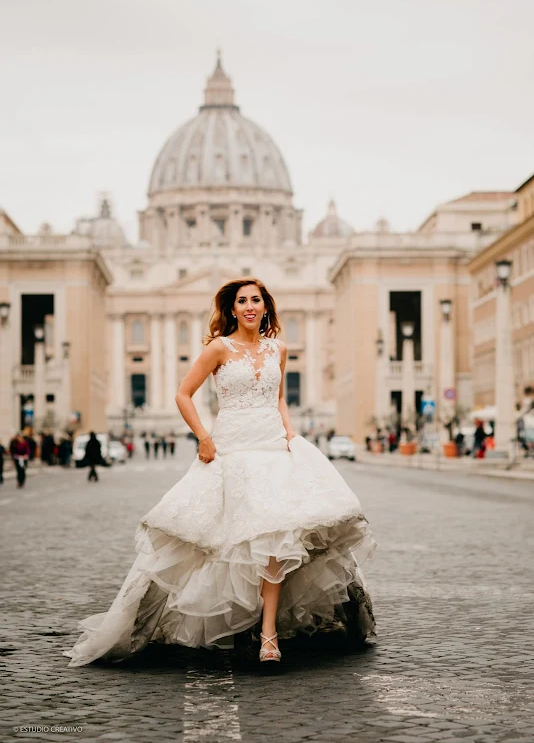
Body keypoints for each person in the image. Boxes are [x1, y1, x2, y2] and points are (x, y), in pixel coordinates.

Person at [64, 278, 377, 668]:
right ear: (232, 309)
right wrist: (203, 437)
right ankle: (234, 621)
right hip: (232, 448)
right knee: (223, 540)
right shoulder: (218, 348)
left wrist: (290, 431)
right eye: (242, 301)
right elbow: (183, 394)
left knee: (276, 539)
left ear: (266, 307)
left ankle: (268, 633)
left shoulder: (278, 348)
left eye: (256, 300)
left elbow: (278, 397)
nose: (249, 306)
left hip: (273, 447)